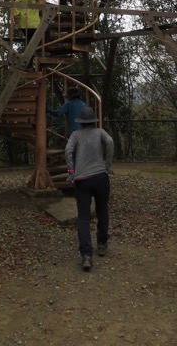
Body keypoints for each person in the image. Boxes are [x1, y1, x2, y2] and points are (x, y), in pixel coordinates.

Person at [65, 106, 114, 272]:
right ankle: (101, 244)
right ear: (93, 121)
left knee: (84, 217)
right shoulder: (100, 132)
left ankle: (86, 255)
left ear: (80, 123)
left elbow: (68, 150)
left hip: (82, 180)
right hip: (101, 176)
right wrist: (107, 164)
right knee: (102, 210)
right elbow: (110, 142)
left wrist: (71, 171)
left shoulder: (76, 135)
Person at [12, 0, 42, 68]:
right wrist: (16, 15)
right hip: (28, 22)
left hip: (31, 22)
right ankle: (28, 62)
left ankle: (27, 65)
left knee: (31, 44)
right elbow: (16, 3)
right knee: (34, 42)